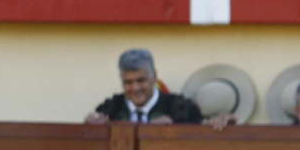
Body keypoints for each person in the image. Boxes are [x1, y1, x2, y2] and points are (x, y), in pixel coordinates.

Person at [84, 48, 219, 125]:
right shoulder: (108, 110)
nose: (135, 88)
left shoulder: (183, 110)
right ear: (121, 80)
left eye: (141, 80)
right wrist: (90, 129)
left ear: (154, 76)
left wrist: (173, 131)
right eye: (128, 82)